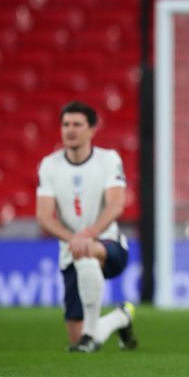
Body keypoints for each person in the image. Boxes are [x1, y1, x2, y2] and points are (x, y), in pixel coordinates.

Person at [35, 101, 137, 353]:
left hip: (109, 245)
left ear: (92, 129)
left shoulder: (108, 160)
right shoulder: (50, 165)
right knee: (75, 337)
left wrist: (89, 235)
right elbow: (44, 217)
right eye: (66, 124)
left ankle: (91, 337)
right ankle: (120, 318)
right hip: (71, 249)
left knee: (88, 251)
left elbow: (116, 204)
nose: (70, 130)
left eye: (77, 124)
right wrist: (74, 238)